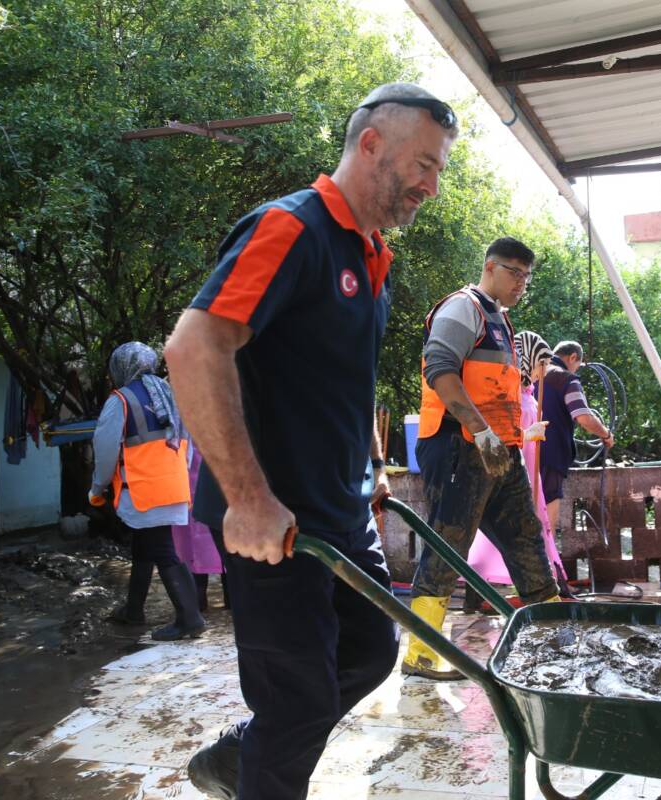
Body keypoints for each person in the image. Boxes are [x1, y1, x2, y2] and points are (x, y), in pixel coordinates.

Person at [164, 83, 458, 799]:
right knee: (295, 701)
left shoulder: (372, 256)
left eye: (440, 169)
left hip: (340, 512)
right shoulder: (292, 229)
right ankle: (261, 770)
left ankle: (243, 760)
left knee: (366, 653)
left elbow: (340, 380)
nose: (433, 184)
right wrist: (248, 498)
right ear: (370, 145)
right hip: (271, 523)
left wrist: (371, 465)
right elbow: (195, 348)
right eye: (424, 163)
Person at [405, 238, 560, 680]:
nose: (522, 284)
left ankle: (553, 638)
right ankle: (420, 652)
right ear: (491, 267)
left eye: (527, 277)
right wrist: (479, 430)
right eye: (515, 273)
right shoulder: (463, 308)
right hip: (458, 446)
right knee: (447, 544)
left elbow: (496, 391)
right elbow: (440, 368)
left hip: (499, 452)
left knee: (525, 538)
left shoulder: (501, 322)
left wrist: (507, 437)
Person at [90, 342, 205, 642]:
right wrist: (177, 476)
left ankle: (190, 618)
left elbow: (105, 450)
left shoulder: (122, 400)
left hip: (143, 490)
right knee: (145, 545)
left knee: (163, 550)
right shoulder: (171, 395)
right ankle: (133, 610)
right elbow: (188, 444)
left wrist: (97, 487)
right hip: (174, 485)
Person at [465, 330, 569, 609]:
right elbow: (505, 435)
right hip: (513, 471)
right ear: (529, 360)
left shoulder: (526, 394)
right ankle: (536, 593)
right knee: (504, 535)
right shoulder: (512, 395)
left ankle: (543, 590)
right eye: (541, 364)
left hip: (527, 470)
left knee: (523, 532)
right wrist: (529, 433)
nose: (542, 371)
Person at [538, 340, 614, 537]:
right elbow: (584, 417)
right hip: (551, 453)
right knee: (548, 509)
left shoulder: (533, 373)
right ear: (572, 357)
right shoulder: (567, 380)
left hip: (524, 451)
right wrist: (605, 435)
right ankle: (547, 561)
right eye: (578, 364)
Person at [170, 446, 227, 612]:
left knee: (193, 549)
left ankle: (197, 609)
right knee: (226, 547)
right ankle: (231, 609)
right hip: (217, 475)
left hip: (188, 478)